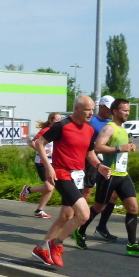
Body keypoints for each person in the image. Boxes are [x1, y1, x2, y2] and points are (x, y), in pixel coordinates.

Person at [31, 95, 110, 267]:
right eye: (87, 110)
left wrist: (99, 166)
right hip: (61, 174)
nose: (91, 113)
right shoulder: (62, 126)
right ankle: (56, 244)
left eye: (92, 110)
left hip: (78, 176)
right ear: (76, 109)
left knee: (67, 215)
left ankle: (42, 247)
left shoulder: (89, 129)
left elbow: (89, 153)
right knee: (84, 214)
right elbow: (39, 143)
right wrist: (48, 167)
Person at [72, 99, 139, 255]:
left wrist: (129, 147)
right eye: (124, 110)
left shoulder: (123, 129)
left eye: (128, 111)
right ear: (115, 111)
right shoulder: (109, 128)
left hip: (123, 174)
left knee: (133, 208)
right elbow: (97, 147)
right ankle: (79, 230)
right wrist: (120, 148)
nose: (127, 113)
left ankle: (132, 244)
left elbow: (121, 148)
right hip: (109, 174)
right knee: (99, 207)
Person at [82, 95, 119, 240]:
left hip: (107, 164)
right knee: (86, 194)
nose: (111, 111)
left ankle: (101, 227)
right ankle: (76, 225)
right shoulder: (91, 121)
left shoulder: (111, 123)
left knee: (113, 195)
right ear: (101, 106)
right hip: (91, 162)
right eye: (109, 108)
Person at [20, 112, 62, 218]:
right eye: (57, 120)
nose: (59, 122)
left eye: (60, 120)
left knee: (50, 187)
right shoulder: (45, 130)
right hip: (42, 162)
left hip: (52, 162)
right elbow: (32, 143)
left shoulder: (58, 131)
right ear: (51, 121)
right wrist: (40, 150)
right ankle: (28, 190)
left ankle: (39, 210)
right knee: (49, 187)